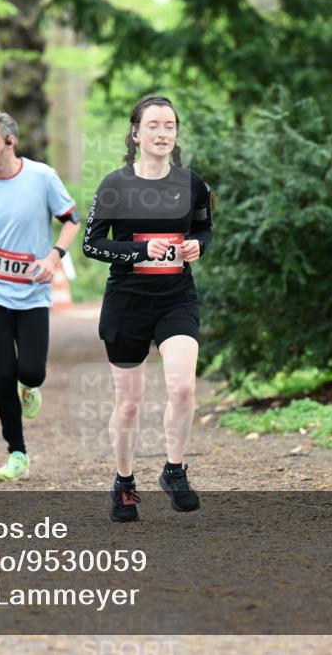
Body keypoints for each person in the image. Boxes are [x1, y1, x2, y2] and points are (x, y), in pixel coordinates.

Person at [82, 96, 213, 522]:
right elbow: (93, 244)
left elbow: (204, 230)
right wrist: (138, 250)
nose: (162, 133)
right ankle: (124, 482)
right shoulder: (114, 186)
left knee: (181, 388)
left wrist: (197, 246)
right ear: (136, 133)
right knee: (131, 403)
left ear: (176, 134)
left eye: (170, 126)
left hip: (177, 297)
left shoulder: (192, 183)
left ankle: (174, 471)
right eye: (153, 125)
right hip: (127, 302)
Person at [0, 111, 80, 481]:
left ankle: (31, 388)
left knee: (31, 371)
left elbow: (71, 221)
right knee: (2, 373)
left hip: (33, 290)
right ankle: (17, 452)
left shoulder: (42, 178)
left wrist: (54, 256)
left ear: (10, 141)